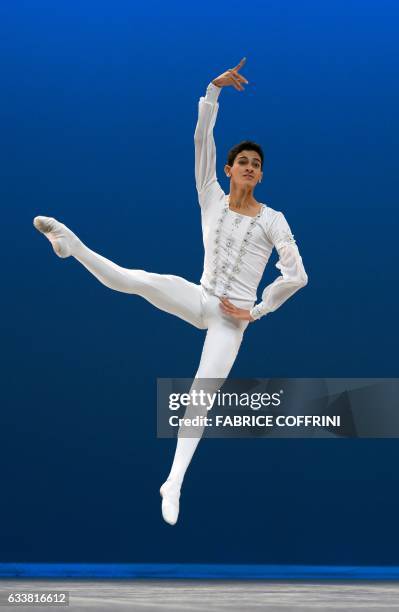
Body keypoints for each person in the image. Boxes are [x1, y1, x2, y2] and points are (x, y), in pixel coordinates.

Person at [33, 57, 308, 526]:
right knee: (135, 280)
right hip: (199, 295)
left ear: (260, 176)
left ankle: (173, 480)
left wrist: (256, 312)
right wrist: (213, 91)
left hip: (230, 319)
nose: (248, 167)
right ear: (228, 169)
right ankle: (70, 245)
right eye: (242, 161)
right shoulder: (211, 196)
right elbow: (202, 139)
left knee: (202, 394)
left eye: (255, 165)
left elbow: (297, 274)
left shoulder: (273, 220)